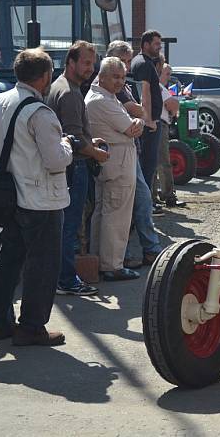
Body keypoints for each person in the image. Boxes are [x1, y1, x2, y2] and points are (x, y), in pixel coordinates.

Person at [0, 48, 72, 346]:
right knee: (42, 265)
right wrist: (68, 145)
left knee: (7, 260)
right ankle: (32, 326)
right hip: (40, 198)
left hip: (6, 195)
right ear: (46, 76)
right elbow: (56, 161)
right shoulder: (40, 112)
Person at [46, 40, 107, 296]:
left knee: (64, 226)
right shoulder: (69, 93)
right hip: (74, 168)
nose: (90, 68)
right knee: (69, 226)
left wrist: (91, 143)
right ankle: (67, 280)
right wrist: (96, 152)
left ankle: (61, 277)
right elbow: (74, 140)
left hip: (67, 166)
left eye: (93, 63)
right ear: (70, 62)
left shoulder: (61, 87)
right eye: (85, 62)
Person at [85, 57, 144, 281]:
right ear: (102, 77)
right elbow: (132, 128)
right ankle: (112, 265)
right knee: (117, 215)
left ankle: (103, 261)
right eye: (115, 77)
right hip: (117, 163)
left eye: (122, 77)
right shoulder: (102, 101)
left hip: (112, 161)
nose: (120, 82)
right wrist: (135, 122)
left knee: (105, 211)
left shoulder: (104, 97)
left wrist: (134, 123)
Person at [106, 40, 163, 267]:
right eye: (123, 62)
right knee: (127, 204)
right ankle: (131, 252)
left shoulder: (123, 85)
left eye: (128, 62)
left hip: (130, 152)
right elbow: (135, 111)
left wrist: (139, 113)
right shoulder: (111, 91)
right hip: (118, 155)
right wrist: (139, 114)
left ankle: (146, 249)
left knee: (140, 200)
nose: (127, 68)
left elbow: (138, 110)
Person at [132, 30, 164, 190]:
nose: (160, 47)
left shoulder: (142, 62)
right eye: (156, 43)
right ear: (146, 44)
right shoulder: (144, 63)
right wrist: (149, 120)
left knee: (148, 166)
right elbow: (144, 92)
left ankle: (145, 204)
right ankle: (144, 208)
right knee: (147, 166)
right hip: (148, 125)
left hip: (146, 122)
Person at [154, 58, 185, 208]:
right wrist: (175, 109)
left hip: (158, 124)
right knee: (163, 162)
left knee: (154, 162)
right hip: (161, 125)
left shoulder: (156, 88)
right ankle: (168, 196)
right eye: (167, 74)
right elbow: (172, 105)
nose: (168, 77)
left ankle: (155, 196)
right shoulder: (160, 88)